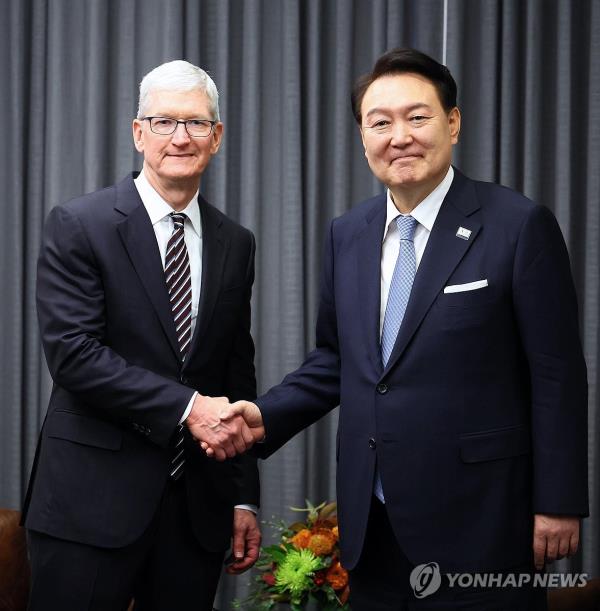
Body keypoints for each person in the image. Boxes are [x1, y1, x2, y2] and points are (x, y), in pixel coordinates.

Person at [210, 48, 589, 610]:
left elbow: (557, 374)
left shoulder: (517, 226)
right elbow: (339, 359)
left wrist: (558, 501)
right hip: (375, 525)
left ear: (453, 123)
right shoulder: (348, 233)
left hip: (482, 521)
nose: (400, 136)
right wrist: (264, 414)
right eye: (380, 122)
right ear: (363, 139)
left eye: (418, 117)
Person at [23, 60, 261, 611]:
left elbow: (235, 371)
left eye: (197, 124)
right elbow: (74, 356)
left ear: (217, 137)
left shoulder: (236, 242)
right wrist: (190, 408)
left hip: (195, 514)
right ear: (137, 133)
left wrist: (243, 496)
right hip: (88, 505)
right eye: (163, 122)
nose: (181, 137)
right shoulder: (81, 225)